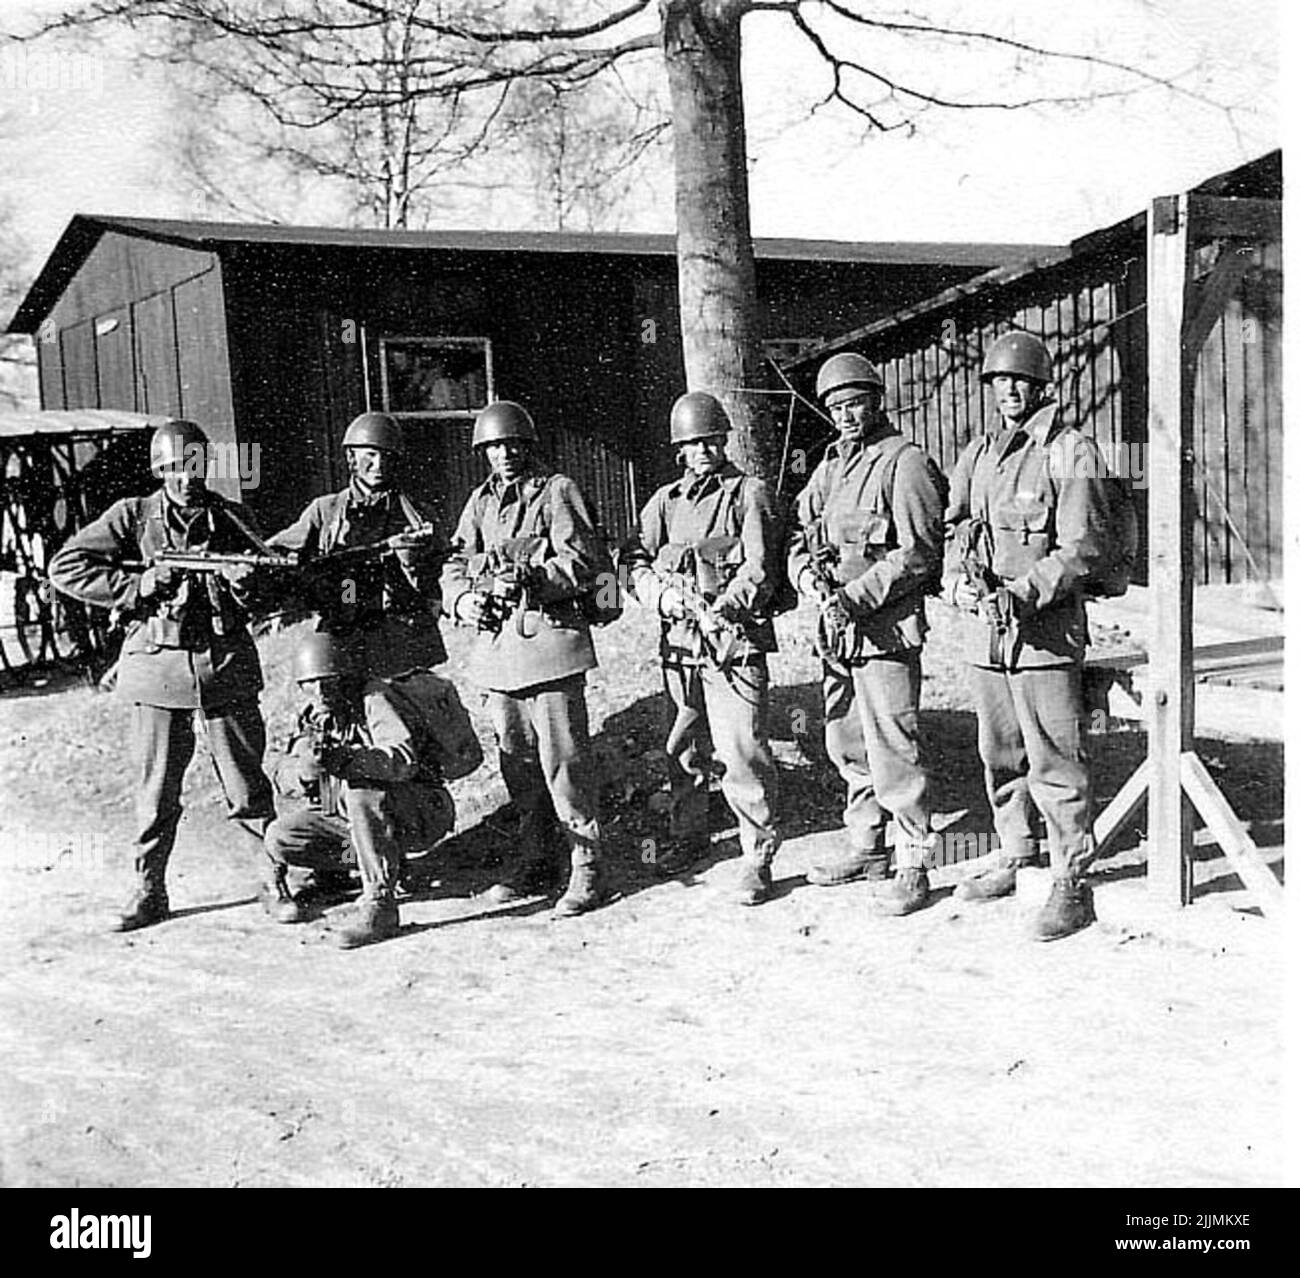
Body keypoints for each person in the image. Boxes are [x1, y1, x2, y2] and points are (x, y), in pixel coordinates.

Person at [47, 419, 281, 931]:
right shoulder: (133, 516)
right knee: (156, 791)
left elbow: (271, 590)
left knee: (247, 786)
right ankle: (149, 889)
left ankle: (273, 879)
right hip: (157, 669)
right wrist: (138, 586)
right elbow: (66, 567)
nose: (186, 477)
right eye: (175, 467)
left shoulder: (234, 518)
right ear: (159, 470)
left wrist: (246, 586)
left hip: (224, 668)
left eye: (195, 466)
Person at [943, 331, 1109, 940]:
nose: (1009, 390)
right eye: (999, 381)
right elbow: (956, 524)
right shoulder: (980, 453)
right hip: (986, 635)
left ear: (1041, 385)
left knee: (1056, 760)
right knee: (1000, 753)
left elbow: (1083, 547)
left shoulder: (1071, 451)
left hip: (1043, 634)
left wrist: (1022, 593)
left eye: (1020, 380)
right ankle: (1016, 850)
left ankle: (1071, 877)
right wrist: (957, 579)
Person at [787, 353, 946, 916]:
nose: (846, 416)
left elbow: (920, 552)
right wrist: (807, 577)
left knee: (895, 748)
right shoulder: (830, 468)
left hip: (885, 630)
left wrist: (853, 599)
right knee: (846, 742)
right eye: (836, 408)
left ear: (876, 401)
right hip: (837, 630)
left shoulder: (905, 463)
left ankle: (914, 863)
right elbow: (799, 531)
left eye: (855, 404)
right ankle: (868, 845)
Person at [442, 400, 612, 917]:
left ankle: (587, 865)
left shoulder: (557, 491)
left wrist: (536, 577)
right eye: (495, 447)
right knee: (518, 765)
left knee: (565, 763)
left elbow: (583, 560)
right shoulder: (479, 503)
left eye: (513, 445)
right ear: (484, 452)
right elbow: (454, 562)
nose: (505, 454)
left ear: (527, 446)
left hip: (551, 646)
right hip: (499, 654)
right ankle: (537, 857)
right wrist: (463, 599)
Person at [620, 391, 784, 905]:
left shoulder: (748, 493)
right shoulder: (665, 502)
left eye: (712, 441)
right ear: (680, 450)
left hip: (733, 645)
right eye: (694, 444)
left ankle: (757, 855)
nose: (704, 451)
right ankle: (688, 836)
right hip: (680, 648)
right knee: (683, 750)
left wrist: (727, 607)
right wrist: (659, 594)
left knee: (742, 751)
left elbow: (761, 567)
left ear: (724, 441)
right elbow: (631, 560)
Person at [264, 631, 456, 947]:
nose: (320, 692)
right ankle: (376, 867)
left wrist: (349, 760)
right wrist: (303, 772)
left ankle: (380, 904)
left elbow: (403, 758)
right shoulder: (313, 717)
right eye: (310, 684)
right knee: (282, 836)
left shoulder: (374, 700)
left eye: (328, 681)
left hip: (420, 812)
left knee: (360, 791)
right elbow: (282, 771)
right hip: (359, 824)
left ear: (344, 677)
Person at [268, 411, 447, 681]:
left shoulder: (416, 515)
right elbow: (278, 553)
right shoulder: (326, 511)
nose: (379, 464)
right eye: (370, 455)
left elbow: (441, 575)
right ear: (351, 458)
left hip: (399, 636)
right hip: (343, 627)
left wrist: (414, 562)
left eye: (387, 456)